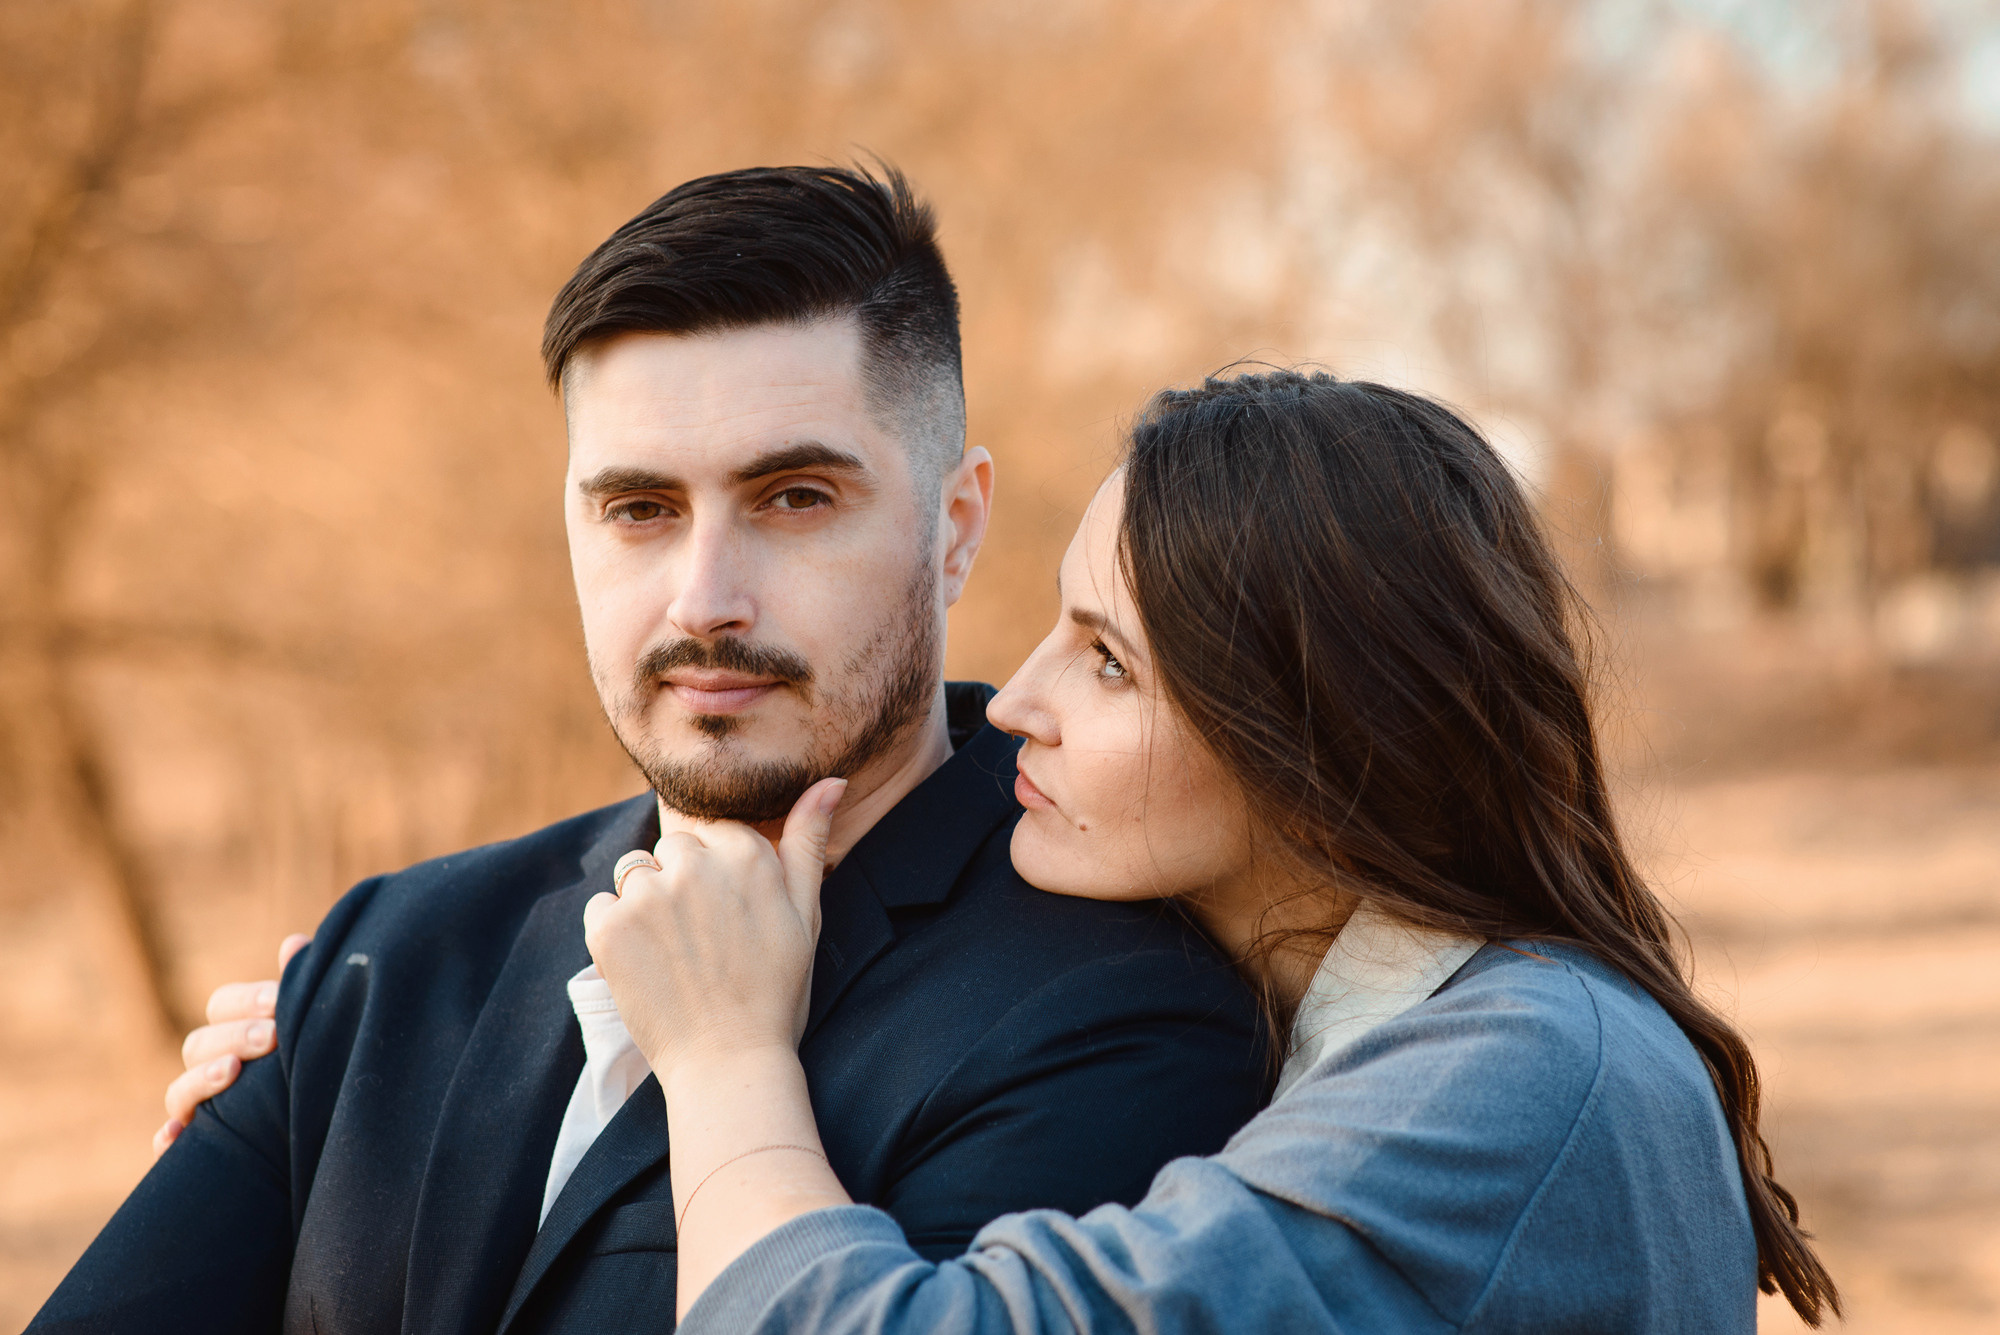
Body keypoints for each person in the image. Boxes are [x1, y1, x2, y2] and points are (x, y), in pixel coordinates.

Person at [28, 167, 1268, 1334]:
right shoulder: (384, 954)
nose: (703, 601)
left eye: (794, 498)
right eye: (638, 510)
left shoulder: (1125, 1019)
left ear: (953, 527)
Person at [579, 370, 1843, 1331]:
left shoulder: (1517, 1079)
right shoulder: (1487, 1037)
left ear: (1320, 745)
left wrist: (724, 1057)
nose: (1013, 703)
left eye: (1106, 662)